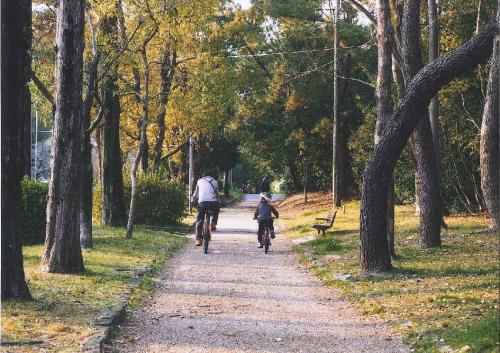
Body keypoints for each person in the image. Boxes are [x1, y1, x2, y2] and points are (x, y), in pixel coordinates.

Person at [192, 170, 220, 246]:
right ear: (211, 176)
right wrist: (218, 202)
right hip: (212, 204)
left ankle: (198, 240)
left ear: (203, 176)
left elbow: (196, 194)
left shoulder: (199, 181)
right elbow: (217, 194)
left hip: (202, 203)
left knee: (199, 220)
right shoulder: (215, 182)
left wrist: (193, 201)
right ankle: (213, 223)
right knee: (216, 209)